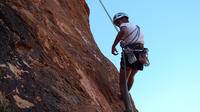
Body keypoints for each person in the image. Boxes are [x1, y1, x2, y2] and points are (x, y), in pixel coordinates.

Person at [111, 12, 146, 112]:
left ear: (124, 19)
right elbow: (135, 40)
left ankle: (128, 109)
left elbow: (122, 31)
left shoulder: (124, 25)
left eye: (118, 22)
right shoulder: (137, 28)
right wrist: (124, 43)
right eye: (116, 24)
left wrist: (113, 46)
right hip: (141, 54)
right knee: (131, 77)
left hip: (131, 53)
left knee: (122, 82)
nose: (118, 24)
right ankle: (124, 96)